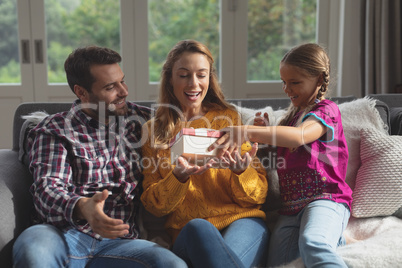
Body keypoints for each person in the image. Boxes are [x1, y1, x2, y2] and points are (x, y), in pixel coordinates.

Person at [12, 46, 187, 268]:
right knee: (34, 249)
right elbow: (47, 189)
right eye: (110, 87)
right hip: (62, 235)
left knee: (172, 265)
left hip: (120, 244)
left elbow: (198, 126)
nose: (123, 91)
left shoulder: (144, 121)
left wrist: (243, 130)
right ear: (82, 92)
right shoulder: (56, 129)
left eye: (122, 81)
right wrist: (83, 206)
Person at [209, 43, 353, 267]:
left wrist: (247, 131)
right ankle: (335, 242)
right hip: (291, 209)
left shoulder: (326, 111)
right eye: (284, 82)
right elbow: (286, 155)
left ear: (318, 79)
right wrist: (264, 138)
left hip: (326, 199)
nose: (287, 89)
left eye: (295, 82)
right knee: (278, 262)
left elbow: (299, 137)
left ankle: (331, 243)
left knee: (313, 242)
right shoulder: (291, 118)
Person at [140, 40, 269, 268]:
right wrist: (178, 178)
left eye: (202, 75)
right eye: (183, 75)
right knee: (199, 226)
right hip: (190, 232)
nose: (194, 83)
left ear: (210, 78)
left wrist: (241, 172)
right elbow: (154, 205)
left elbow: (258, 196)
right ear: (170, 78)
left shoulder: (229, 118)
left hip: (241, 220)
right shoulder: (153, 131)